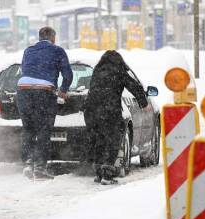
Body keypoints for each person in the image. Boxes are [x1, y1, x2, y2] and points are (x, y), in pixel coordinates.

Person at [83, 50, 149, 185]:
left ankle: (99, 173)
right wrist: (143, 102)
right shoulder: (118, 71)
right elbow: (134, 86)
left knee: (99, 140)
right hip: (109, 110)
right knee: (113, 140)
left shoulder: (97, 71)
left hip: (92, 111)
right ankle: (107, 174)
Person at [16, 27, 73, 180]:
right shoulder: (57, 51)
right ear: (53, 38)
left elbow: (24, 69)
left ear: (40, 37)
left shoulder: (28, 51)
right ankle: (40, 168)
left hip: (23, 90)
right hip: (44, 91)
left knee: (28, 128)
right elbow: (68, 74)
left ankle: (28, 163)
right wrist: (63, 90)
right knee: (43, 130)